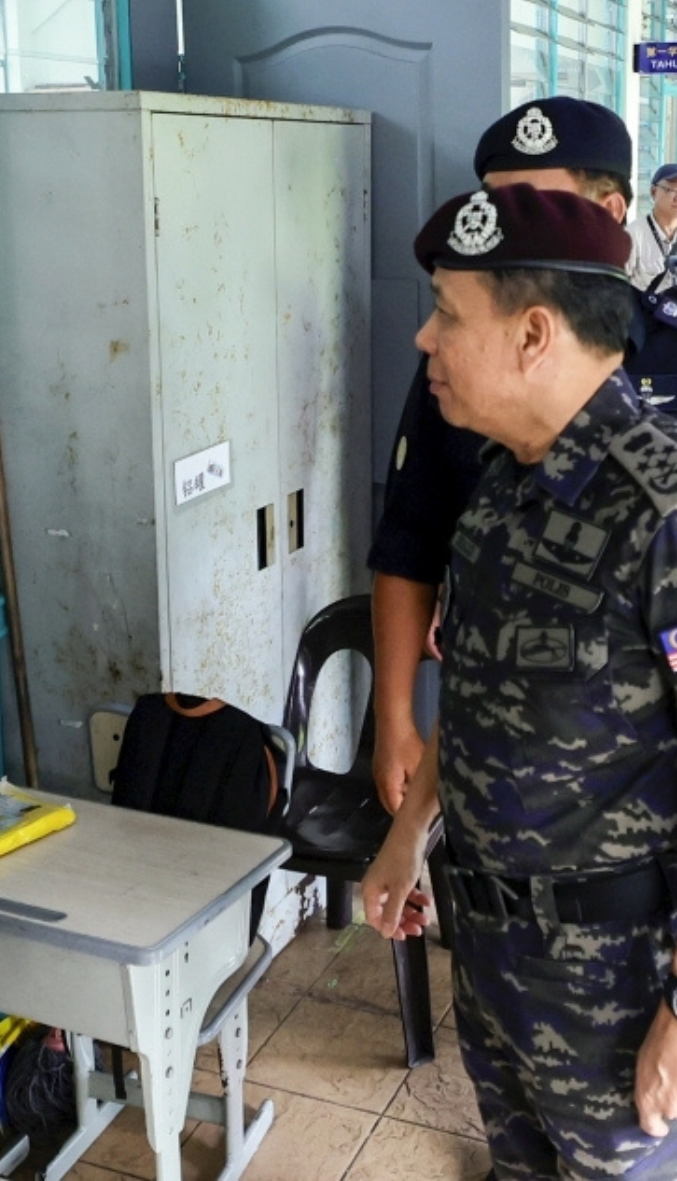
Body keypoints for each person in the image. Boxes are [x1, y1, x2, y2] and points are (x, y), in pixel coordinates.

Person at [363, 182, 677, 1178]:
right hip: (496, 962)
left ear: (534, 333)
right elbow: (483, 699)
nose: (425, 339)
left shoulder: (661, 511)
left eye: (450, 314)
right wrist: (410, 835)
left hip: (626, 993)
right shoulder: (503, 486)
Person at [369, 97, 677, 815]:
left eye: (529, 204)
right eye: (493, 204)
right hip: (503, 822)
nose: (502, 227)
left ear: (609, 212)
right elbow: (412, 535)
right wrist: (395, 724)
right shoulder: (471, 383)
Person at [626, 163, 677, 292]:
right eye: (670, 190)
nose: (676, 197)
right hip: (644, 310)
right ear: (653, 192)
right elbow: (615, 287)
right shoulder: (632, 235)